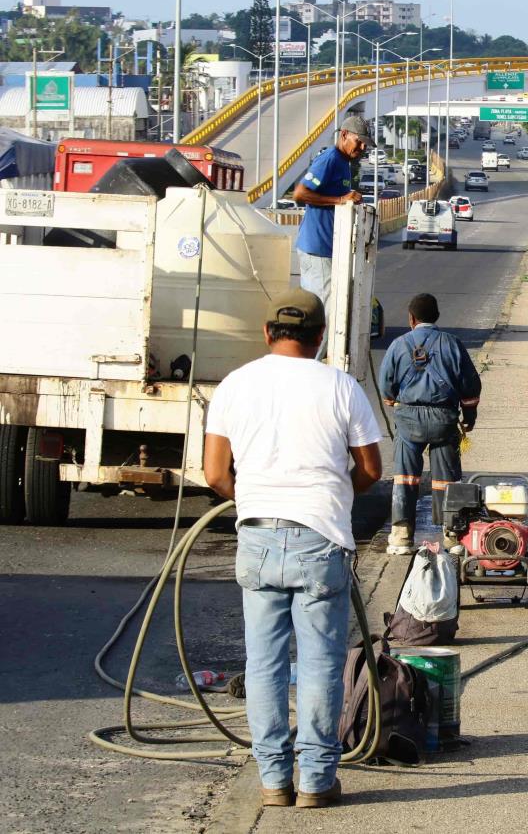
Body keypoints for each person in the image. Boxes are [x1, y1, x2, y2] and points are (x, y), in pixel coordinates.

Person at [203, 289, 383, 810]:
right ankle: (316, 781)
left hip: (256, 537)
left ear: (266, 333)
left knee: (263, 665)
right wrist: (332, 493)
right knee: (322, 663)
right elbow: (370, 469)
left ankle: (274, 781)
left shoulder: (235, 385)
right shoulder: (341, 386)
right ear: (321, 336)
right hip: (320, 538)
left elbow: (215, 473)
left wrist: (256, 497)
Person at [379, 293, 482, 555]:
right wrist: (469, 417)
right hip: (444, 420)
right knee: (446, 479)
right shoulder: (452, 343)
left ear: (411, 319)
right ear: (436, 317)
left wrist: (394, 401)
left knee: (405, 477)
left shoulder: (399, 344)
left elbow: (386, 389)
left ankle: (402, 536)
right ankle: (452, 535)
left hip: (408, 421)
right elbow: (470, 384)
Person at [293, 115, 373, 348]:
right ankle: (312, 375)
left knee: (333, 318)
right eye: (358, 141)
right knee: (325, 322)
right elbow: (300, 194)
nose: (362, 147)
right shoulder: (330, 159)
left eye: (365, 144)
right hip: (317, 250)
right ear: (344, 135)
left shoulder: (344, 164)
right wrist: (340, 199)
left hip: (329, 251)